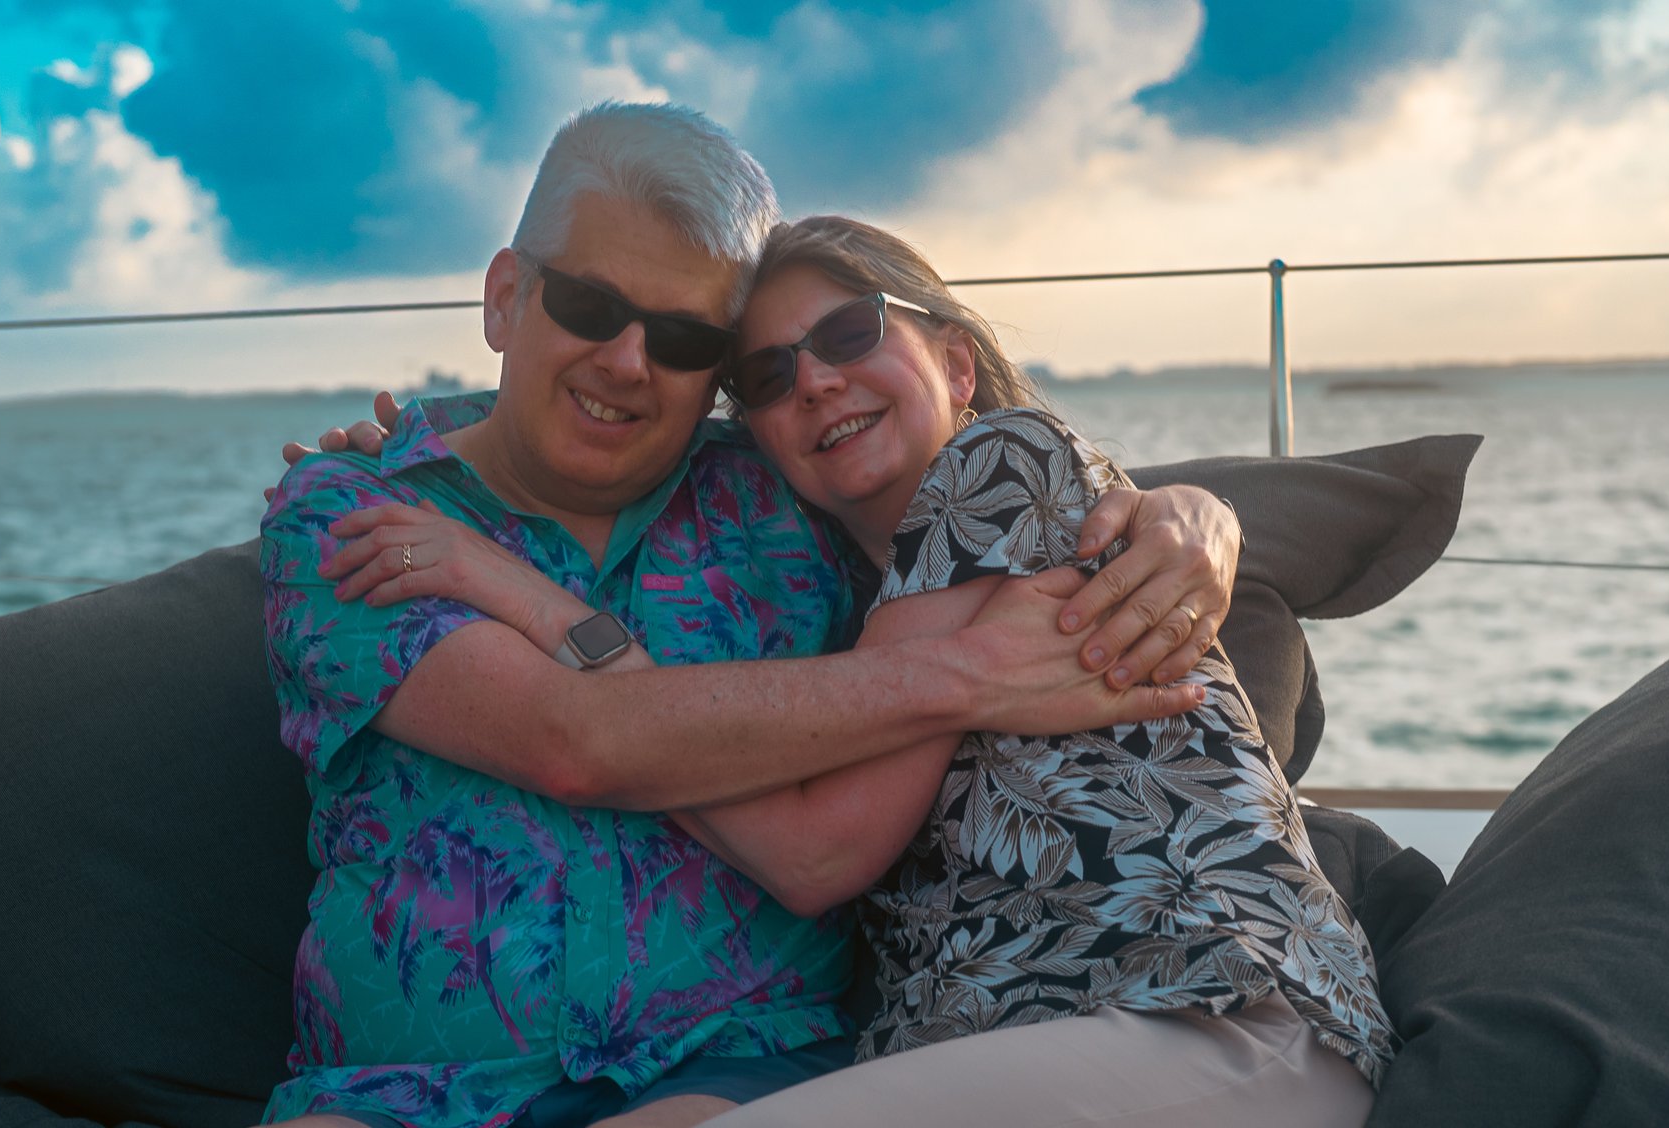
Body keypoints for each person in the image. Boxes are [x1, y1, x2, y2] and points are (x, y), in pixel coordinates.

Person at [258, 104, 1241, 1128]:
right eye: (591, 306)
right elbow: (570, 741)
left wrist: (1194, 518)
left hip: (732, 1065)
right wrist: (979, 676)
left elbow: (987, 499)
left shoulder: (784, 486)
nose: (628, 362)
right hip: (397, 1092)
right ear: (506, 298)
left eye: (685, 339)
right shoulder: (357, 514)